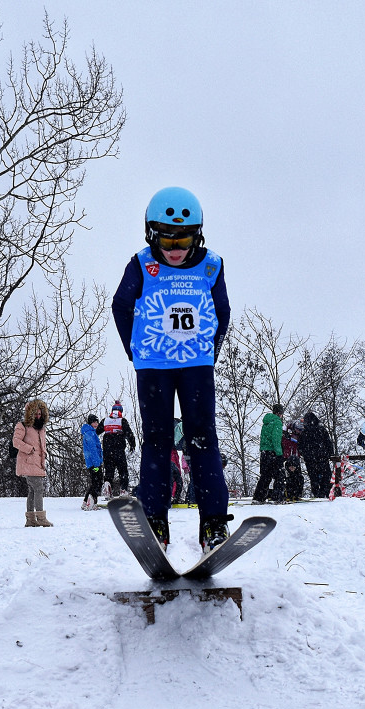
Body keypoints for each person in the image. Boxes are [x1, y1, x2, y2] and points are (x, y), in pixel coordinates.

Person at [111, 186, 232, 551]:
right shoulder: (141, 263)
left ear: (198, 233)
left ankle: (213, 524)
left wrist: (211, 350)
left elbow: (223, 311)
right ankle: (155, 523)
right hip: (155, 367)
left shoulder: (212, 265)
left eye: (184, 238)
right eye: (167, 238)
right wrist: (136, 350)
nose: (176, 247)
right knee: (158, 441)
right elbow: (120, 305)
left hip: (196, 365)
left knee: (202, 440)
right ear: (151, 234)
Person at [13, 399, 53, 527]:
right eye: (35, 413)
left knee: (32, 490)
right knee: (39, 488)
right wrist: (29, 449)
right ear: (30, 413)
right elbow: (16, 441)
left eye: (40, 414)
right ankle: (41, 518)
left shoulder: (41, 428)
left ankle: (31, 519)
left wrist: (44, 455)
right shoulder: (23, 425)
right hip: (28, 462)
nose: (38, 416)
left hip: (38, 464)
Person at [101, 400, 136, 496]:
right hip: (119, 450)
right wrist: (132, 445)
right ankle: (123, 490)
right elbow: (129, 434)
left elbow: (96, 432)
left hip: (107, 451)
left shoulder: (105, 421)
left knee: (109, 471)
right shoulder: (122, 421)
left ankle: (107, 487)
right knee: (123, 471)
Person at [252, 404, 284, 504]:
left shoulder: (266, 422)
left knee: (265, 475)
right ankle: (276, 497)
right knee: (280, 475)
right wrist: (279, 453)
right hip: (273, 452)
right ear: (280, 413)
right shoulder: (277, 422)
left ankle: (258, 497)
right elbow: (276, 438)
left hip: (264, 452)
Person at [298, 411, 333, 499]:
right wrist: (329, 454)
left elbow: (300, 446)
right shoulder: (321, 429)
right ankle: (325, 492)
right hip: (322, 457)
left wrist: (305, 454)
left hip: (310, 459)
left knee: (313, 478)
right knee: (326, 476)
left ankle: (317, 493)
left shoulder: (304, 432)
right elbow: (328, 443)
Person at [80, 414, 104, 510]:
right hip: (94, 463)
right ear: (90, 423)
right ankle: (92, 502)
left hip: (93, 462)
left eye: (97, 422)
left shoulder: (90, 433)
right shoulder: (90, 433)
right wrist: (97, 464)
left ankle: (86, 502)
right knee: (97, 482)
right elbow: (93, 450)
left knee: (95, 482)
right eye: (94, 422)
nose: (96, 424)